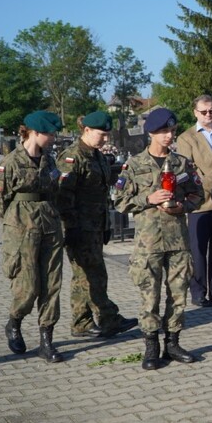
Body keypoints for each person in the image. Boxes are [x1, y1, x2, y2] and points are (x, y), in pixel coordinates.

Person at [113, 108, 204, 371]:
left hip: (177, 241)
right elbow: (119, 200)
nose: (169, 136)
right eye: (164, 131)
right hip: (148, 243)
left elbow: (197, 194)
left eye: (172, 131)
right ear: (151, 133)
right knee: (149, 296)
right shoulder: (135, 165)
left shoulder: (181, 164)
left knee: (178, 296)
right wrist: (147, 199)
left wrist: (182, 207)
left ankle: (173, 343)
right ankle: (151, 346)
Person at [57, 111, 138, 339]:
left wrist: (105, 225)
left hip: (96, 225)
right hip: (80, 227)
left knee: (85, 275)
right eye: (102, 135)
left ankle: (83, 321)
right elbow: (63, 197)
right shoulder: (72, 157)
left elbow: (102, 192)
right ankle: (107, 318)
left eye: (107, 135)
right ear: (87, 130)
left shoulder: (97, 156)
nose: (105, 140)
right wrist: (71, 228)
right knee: (93, 274)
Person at [0, 111, 65, 363]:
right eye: (50, 134)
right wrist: (14, 226)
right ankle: (14, 321)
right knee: (28, 286)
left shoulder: (49, 160)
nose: (54, 138)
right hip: (21, 228)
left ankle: (46, 340)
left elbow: (54, 190)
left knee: (52, 284)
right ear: (34, 132)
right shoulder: (10, 161)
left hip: (50, 225)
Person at [176, 95, 212, 307]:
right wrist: (210, 180)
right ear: (195, 113)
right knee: (198, 250)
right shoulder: (186, 138)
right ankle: (198, 292)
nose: (209, 115)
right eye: (204, 112)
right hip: (200, 203)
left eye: (211, 111)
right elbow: (186, 171)